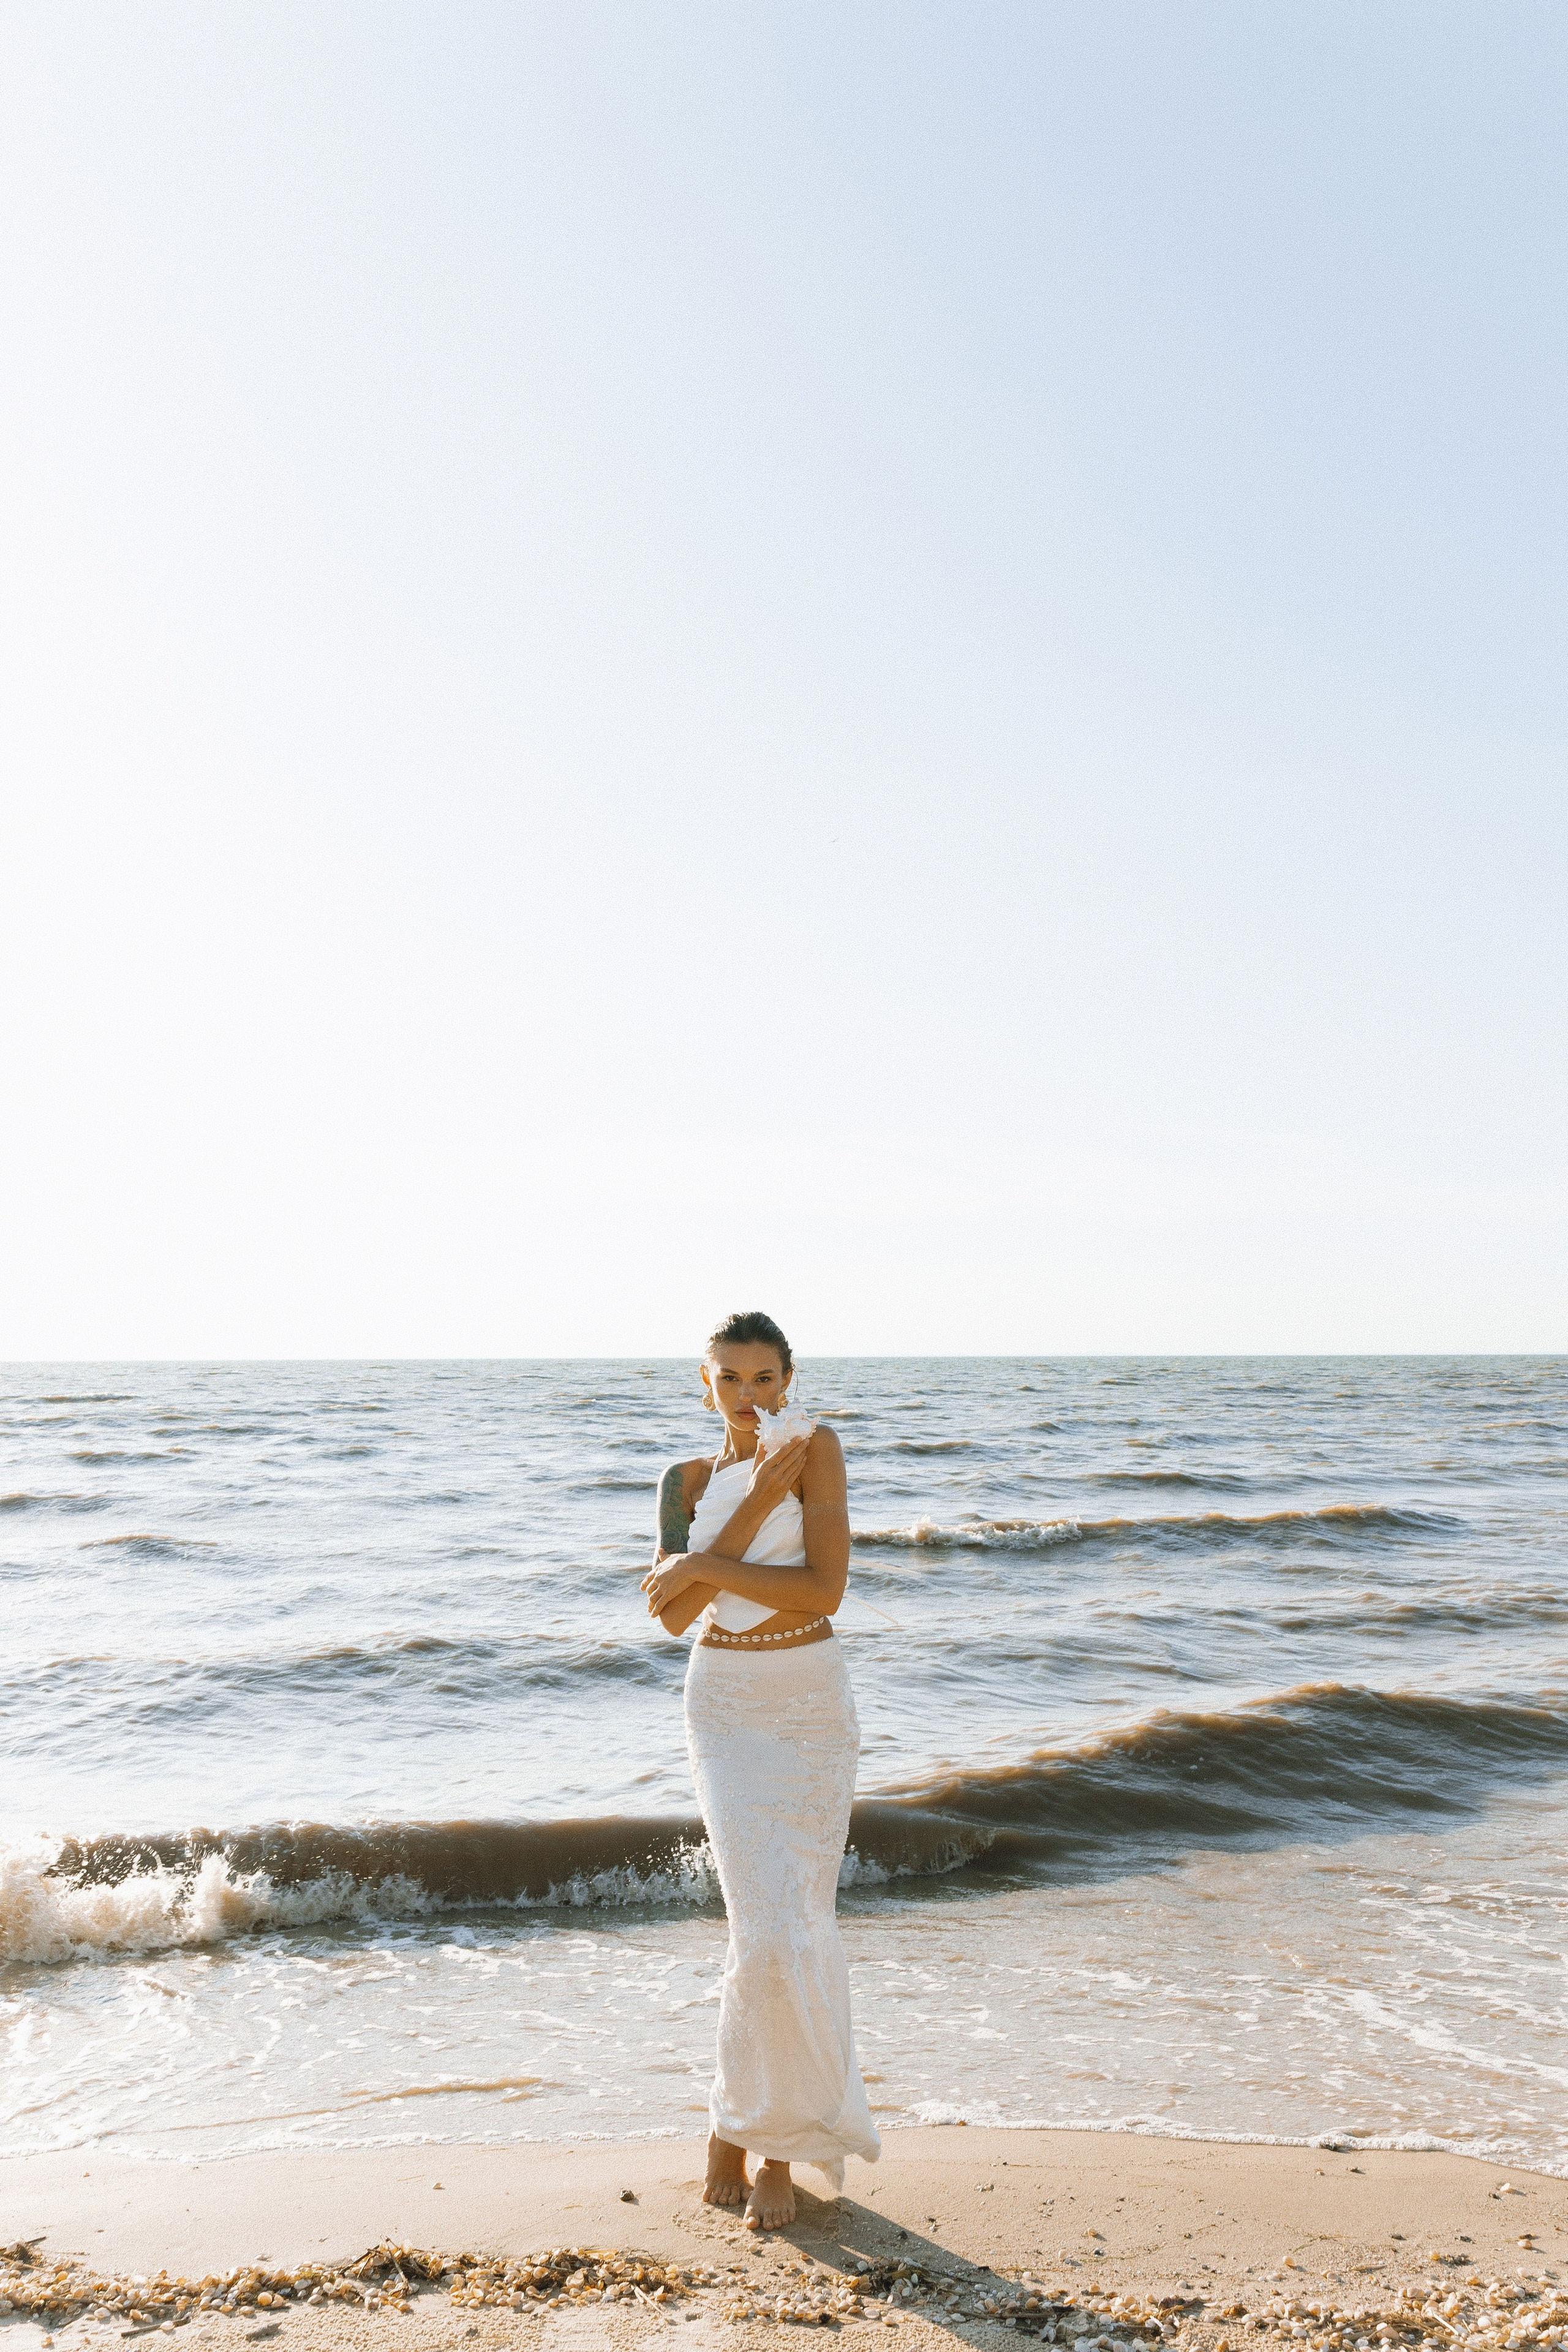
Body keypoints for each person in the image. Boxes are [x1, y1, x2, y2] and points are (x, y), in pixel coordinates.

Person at [640, 1310, 880, 2230]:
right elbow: (671, 1614)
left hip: (812, 1701)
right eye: (730, 1379)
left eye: (766, 1379)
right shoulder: (683, 1481)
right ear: (704, 1383)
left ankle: (769, 2145)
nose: (750, 1397)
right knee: (761, 1934)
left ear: (790, 1380)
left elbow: (823, 1589)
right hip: (727, 1709)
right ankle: (731, 2126)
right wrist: (733, 1523)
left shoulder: (816, 1450)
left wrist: (704, 1564)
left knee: (797, 1930)